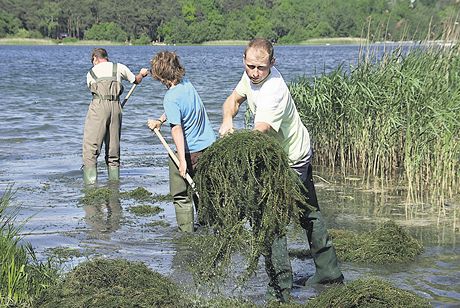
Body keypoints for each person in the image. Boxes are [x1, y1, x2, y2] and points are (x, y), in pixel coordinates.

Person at [219, 38, 344, 302]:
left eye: (261, 68)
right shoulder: (250, 77)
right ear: (244, 61)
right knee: (309, 212)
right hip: (286, 152)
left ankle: (280, 290)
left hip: (291, 159)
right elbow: (233, 99)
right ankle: (330, 273)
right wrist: (227, 119)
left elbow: (258, 134)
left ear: (272, 64)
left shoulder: (273, 90)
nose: (254, 72)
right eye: (250, 66)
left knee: (271, 221)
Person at [147, 51, 216, 233]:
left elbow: (176, 128)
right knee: (202, 190)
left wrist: (182, 160)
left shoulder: (170, 97)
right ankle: (207, 227)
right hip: (208, 147)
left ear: (160, 76)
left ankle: (186, 234)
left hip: (189, 151)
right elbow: (177, 112)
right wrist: (160, 121)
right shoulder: (187, 84)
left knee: (181, 195)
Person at [82, 48, 149, 185]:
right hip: (116, 107)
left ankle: (90, 185)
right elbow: (135, 80)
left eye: (93, 61)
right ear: (106, 57)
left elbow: (92, 90)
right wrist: (142, 74)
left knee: (91, 148)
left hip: (98, 106)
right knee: (113, 148)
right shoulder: (119, 67)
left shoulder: (90, 73)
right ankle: (114, 184)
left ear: (95, 58)